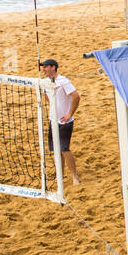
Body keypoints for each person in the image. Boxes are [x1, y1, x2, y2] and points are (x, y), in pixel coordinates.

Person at [39, 58, 80, 186]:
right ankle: (60, 175)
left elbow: (76, 96)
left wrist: (69, 114)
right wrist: (52, 106)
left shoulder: (63, 81)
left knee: (64, 149)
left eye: (45, 67)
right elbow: (45, 95)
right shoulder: (45, 82)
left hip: (65, 121)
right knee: (57, 150)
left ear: (53, 67)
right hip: (53, 119)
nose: (43, 69)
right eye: (43, 67)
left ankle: (74, 175)